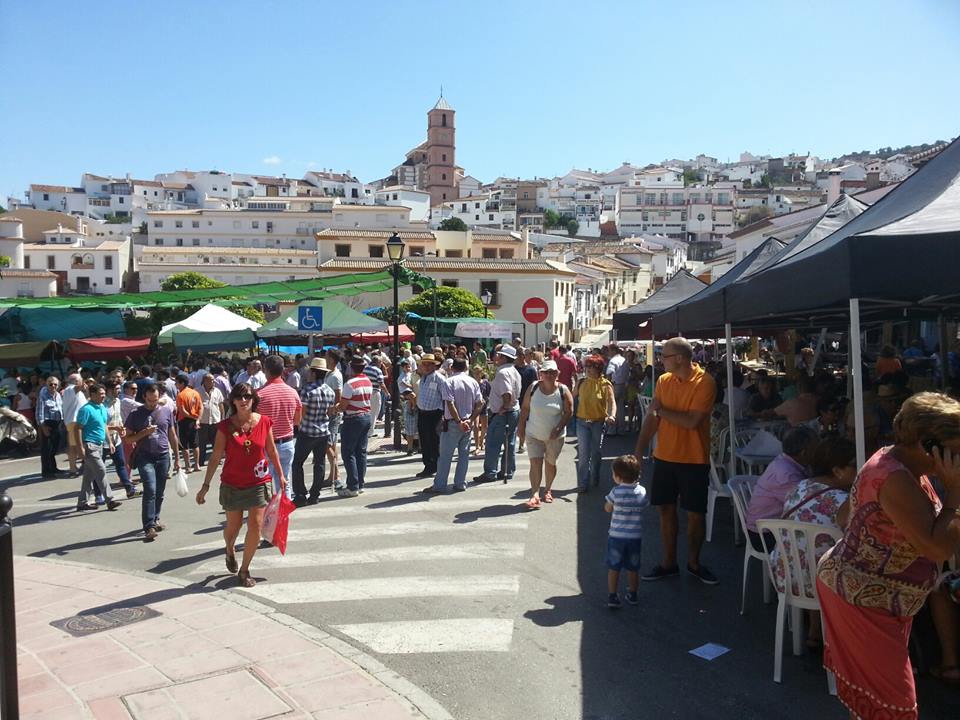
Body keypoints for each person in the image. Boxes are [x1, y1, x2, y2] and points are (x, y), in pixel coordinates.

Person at [817, 392, 960, 719]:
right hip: (863, 600)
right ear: (929, 445)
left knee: (877, 701)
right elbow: (938, 547)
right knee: (895, 704)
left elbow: (845, 517)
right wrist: (954, 492)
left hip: (877, 597)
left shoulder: (898, 463)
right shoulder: (895, 477)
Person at [634, 337, 718, 585]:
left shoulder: (705, 382)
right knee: (665, 510)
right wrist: (638, 450)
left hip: (694, 459)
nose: (660, 359)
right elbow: (653, 419)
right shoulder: (663, 380)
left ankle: (694, 563)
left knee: (695, 514)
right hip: (664, 457)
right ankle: (669, 563)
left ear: (680, 358)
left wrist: (660, 411)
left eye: (664, 355)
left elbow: (692, 422)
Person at [768, 437, 856, 648]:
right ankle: (850, 640)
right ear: (838, 471)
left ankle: (815, 630)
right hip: (825, 583)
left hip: (786, 575)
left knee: (811, 556)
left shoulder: (799, 487)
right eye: (854, 465)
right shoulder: (844, 502)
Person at [196, 383, 286, 588]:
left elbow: (271, 451)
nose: (243, 401)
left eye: (247, 397)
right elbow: (215, 457)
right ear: (233, 401)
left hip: (258, 481)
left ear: (253, 399)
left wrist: (281, 475)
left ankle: (244, 569)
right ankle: (229, 548)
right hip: (232, 483)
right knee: (233, 526)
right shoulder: (225, 426)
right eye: (239, 397)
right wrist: (205, 486)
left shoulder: (264, 422)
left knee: (255, 525)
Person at [744, 425, 819, 549]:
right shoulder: (787, 474)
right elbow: (805, 505)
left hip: (768, 527)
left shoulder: (786, 461)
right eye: (816, 449)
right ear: (804, 452)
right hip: (764, 535)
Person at [125, 384, 179, 541]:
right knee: (150, 488)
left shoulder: (166, 411)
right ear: (144, 398)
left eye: (155, 400)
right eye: (150, 400)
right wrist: (144, 433)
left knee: (160, 491)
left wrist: (177, 457)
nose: (153, 403)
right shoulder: (135, 414)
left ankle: (155, 518)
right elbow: (128, 438)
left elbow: (172, 434)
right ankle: (148, 526)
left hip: (163, 455)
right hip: (144, 456)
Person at [518, 360, 573, 509]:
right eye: (546, 372)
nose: (549, 375)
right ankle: (534, 494)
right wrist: (521, 428)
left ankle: (548, 489)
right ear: (540, 374)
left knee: (550, 463)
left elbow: (569, 411)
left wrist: (558, 428)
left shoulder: (563, 390)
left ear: (557, 374)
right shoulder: (533, 388)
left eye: (552, 372)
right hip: (533, 434)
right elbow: (524, 409)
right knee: (535, 463)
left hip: (555, 437)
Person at [423, 357, 482, 494]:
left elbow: (450, 403)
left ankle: (439, 485)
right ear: (466, 368)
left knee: (445, 456)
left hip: (453, 423)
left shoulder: (449, 382)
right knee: (464, 455)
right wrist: (470, 420)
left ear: (452, 368)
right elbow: (480, 403)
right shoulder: (473, 382)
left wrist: (458, 421)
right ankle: (460, 483)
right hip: (467, 422)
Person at [604, 455, 649, 609]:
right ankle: (633, 594)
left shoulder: (616, 492)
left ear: (618, 477)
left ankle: (612, 595)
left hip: (616, 536)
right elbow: (644, 506)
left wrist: (612, 506)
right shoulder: (641, 491)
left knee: (614, 566)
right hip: (635, 536)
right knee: (633, 567)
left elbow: (608, 508)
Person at [256, 355, 302, 499]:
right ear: (283, 370)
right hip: (287, 442)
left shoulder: (259, 395)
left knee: (266, 482)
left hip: (266, 445)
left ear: (265, 370)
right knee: (284, 481)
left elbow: (255, 423)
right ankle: (283, 513)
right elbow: (297, 420)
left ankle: (268, 514)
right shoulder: (292, 392)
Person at [475, 345, 521, 484]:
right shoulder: (513, 371)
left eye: (498, 355)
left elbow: (506, 393)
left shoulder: (502, 372)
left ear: (503, 357)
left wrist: (504, 407)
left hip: (504, 413)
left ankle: (490, 473)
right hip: (513, 411)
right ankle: (507, 470)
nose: (495, 357)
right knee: (510, 442)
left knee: (493, 444)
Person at [292, 358, 335, 506]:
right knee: (320, 463)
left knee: (297, 463)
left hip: (307, 431)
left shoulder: (307, 390)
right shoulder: (329, 391)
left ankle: (300, 494)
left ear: (314, 373)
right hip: (323, 431)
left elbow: (302, 413)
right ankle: (315, 494)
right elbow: (330, 412)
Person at [74, 384, 122, 512]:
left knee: (89, 476)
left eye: (103, 393)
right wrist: (80, 448)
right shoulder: (86, 409)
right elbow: (77, 428)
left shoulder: (102, 407)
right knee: (101, 470)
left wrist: (110, 442)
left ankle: (82, 503)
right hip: (90, 445)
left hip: (100, 445)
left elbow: (104, 426)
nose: (103, 396)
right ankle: (110, 500)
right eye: (100, 394)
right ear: (92, 394)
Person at [573, 355, 616, 492]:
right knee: (584, 454)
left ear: (598, 368)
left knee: (596, 453)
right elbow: (570, 397)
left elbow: (612, 402)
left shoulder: (605, 384)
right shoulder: (581, 382)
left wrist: (612, 415)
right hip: (582, 422)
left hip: (598, 422)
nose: (588, 369)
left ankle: (595, 476)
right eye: (587, 366)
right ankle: (583, 483)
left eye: (591, 366)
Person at [336, 355, 373, 497]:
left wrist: (336, 408)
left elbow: (344, 405)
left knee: (348, 452)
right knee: (361, 452)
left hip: (353, 419)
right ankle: (360, 483)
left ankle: (352, 485)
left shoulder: (350, 384)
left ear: (351, 367)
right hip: (366, 417)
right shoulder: (367, 381)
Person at [104, 381, 139, 499]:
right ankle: (99, 494)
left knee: (121, 464)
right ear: (109, 390)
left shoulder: (118, 401)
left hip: (116, 438)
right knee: (98, 469)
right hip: (103, 439)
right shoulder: (102, 404)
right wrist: (115, 428)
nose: (119, 391)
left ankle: (129, 489)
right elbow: (101, 424)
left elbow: (118, 418)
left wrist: (122, 428)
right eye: (117, 389)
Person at [415, 354, 445, 479]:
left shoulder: (439, 378)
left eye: (429, 364)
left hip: (435, 414)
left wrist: (444, 414)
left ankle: (436, 465)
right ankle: (428, 465)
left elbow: (446, 397)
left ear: (434, 365)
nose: (426, 366)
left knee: (434, 440)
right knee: (425, 440)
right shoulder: (423, 378)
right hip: (423, 413)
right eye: (424, 364)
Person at [36, 375, 65, 478]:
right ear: (47, 384)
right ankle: (46, 471)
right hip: (47, 424)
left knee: (54, 447)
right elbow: (40, 412)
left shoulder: (58, 395)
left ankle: (53, 467)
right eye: (50, 384)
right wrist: (43, 427)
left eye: (55, 384)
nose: (53, 386)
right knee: (46, 448)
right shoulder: (43, 395)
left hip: (57, 424)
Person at [324, 348, 344, 487]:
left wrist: (334, 409)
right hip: (329, 413)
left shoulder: (335, 376)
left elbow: (339, 395)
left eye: (326, 356)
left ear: (331, 359)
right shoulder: (329, 373)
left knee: (328, 444)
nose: (325, 358)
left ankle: (336, 474)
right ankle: (333, 474)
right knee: (332, 444)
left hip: (332, 414)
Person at [175, 373, 202, 473]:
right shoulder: (195, 393)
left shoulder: (180, 395)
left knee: (184, 445)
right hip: (194, 420)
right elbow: (201, 407)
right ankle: (197, 464)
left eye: (177, 383)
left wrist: (191, 416)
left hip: (183, 421)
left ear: (182, 383)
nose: (175, 385)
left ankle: (188, 466)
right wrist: (197, 418)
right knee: (195, 443)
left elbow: (182, 411)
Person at [197, 373, 225, 466]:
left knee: (216, 442)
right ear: (205, 381)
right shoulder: (197, 391)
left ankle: (217, 459)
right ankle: (201, 461)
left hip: (215, 420)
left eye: (213, 380)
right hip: (203, 421)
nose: (213, 382)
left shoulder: (217, 391)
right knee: (202, 443)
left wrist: (222, 419)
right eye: (211, 380)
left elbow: (221, 406)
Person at [61, 373, 86, 476]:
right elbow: (78, 387)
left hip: (74, 421)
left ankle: (74, 467)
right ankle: (74, 468)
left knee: (74, 445)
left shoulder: (71, 391)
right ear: (76, 381)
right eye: (81, 380)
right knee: (78, 445)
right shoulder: (70, 389)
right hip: (75, 421)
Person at [605, 345, 630, 435]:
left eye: (609, 351)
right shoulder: (624, 360)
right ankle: (621, 429)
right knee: (620, 409)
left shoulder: (613, 361)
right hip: (623, 385)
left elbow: (609, 374)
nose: (608, 353)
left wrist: (607, 386)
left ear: (613, 351)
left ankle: (612, 429)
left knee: (611, 407)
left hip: (614, 385)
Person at [398, 358, 418, 456]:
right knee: (410, 428)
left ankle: (420, 447)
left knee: (419, 428)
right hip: (406, 392)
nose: (408, 368)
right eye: (406, 367)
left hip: (415, 399)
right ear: (402, 368)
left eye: (409, 366)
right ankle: (410, 448)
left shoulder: (412, 374)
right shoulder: (403, 376)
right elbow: (403, 383)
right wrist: (410, 386)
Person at [363, 355, 385, 442]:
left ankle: (366, 430)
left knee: (367, 412)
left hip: (365, 392)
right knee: (374, 412)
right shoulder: (378, 370)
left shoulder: (365, 369)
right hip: (375, 392)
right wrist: (387, 393)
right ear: (378, 362)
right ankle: (370, 432)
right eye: (381, 362)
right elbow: (381, 383)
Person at [471, 365, 490, 455]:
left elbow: (489, 393)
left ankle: (481, 440)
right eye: (475, 373)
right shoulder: (471, 383)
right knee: (475, 425)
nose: (477, 374)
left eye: (478, 372)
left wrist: (487, 401)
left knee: (484, 426)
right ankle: (477, 446)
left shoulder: (485, 383)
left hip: (484, 406)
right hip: (475, 407)